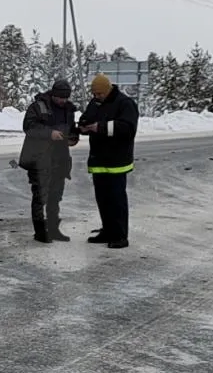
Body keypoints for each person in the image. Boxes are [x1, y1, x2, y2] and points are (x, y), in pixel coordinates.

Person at [80, 74, 138, 249]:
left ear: (108, 90)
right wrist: (82, 126)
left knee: (117, 200)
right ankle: (107, 230)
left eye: (99, 94)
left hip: (117, 161)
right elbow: (87, 118)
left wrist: (101, 127)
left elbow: (127, 128)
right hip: (99, 160)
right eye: (94, 94)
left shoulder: (125, 104)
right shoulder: (95, 103)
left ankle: (120, 235)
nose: (96, 97)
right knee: (103, 199)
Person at [19, 79, 80, 242]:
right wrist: (49, 134)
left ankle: (53, 229)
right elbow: (29, 127)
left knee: (55, 197)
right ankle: (40, 232)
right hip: (39, 158)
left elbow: (72, 130)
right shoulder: (38, 107)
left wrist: (73, 138)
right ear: (53, 94)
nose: (63, 101)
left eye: (65, 98)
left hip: (60, 159)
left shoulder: (69, 110)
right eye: (60, 98)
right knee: (40, 196)